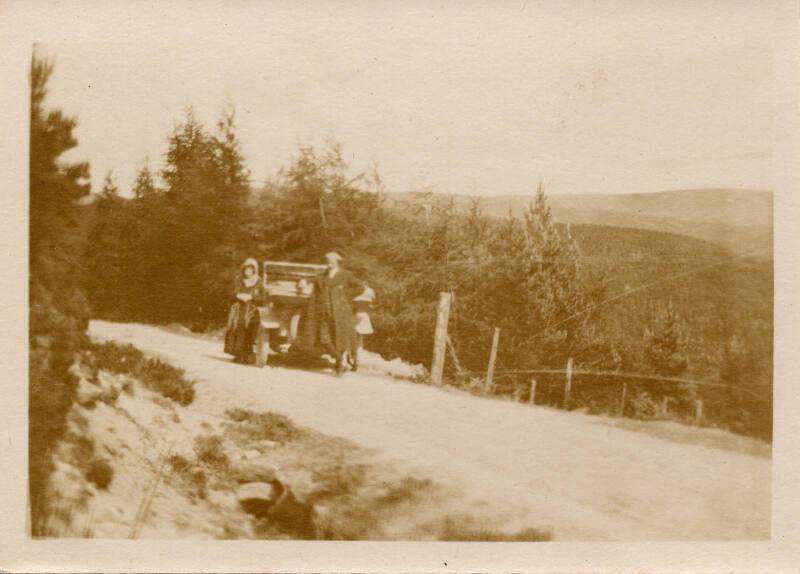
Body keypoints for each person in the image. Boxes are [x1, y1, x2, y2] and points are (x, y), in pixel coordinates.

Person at [301, 251, 365, 376]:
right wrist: (303, 281)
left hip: (340, 313)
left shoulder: (345, 275)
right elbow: (313, 281)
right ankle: (341, 361)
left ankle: (339, 367)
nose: (329, 263)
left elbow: (360, 287)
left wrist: (344, 297)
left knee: (338, 339)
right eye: (327, 261)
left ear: (337, 262)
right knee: (324, 339)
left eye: (332, 261)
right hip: (324, 312)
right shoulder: (323, 276)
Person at [224, 257, 265, 364]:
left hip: (252, 310)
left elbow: (263, 297)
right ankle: (237, 355)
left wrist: (252, 297)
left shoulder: (259, 281)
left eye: (250, 269)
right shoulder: (239, 280)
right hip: (239, 309)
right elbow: (231, 293)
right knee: (237, 329)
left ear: (254, 270)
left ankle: (247, 356)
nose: (248, 272)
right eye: (246, 269)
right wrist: (238, 295)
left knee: (250, 332)